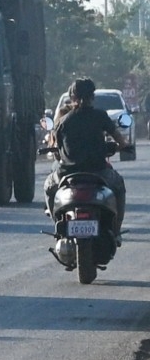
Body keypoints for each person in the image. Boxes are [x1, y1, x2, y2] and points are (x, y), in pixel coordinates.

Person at [46, 77, 131, 242]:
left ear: (72, 97)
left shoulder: (62, 121)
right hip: (98, 172)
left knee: (49, 188)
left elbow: (56, 151)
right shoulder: (101, 116)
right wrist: (121, 146)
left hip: (67, 174)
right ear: (92, 96)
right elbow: (121, 141)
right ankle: (116, 230)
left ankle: (58, 225)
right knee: (119, 186)